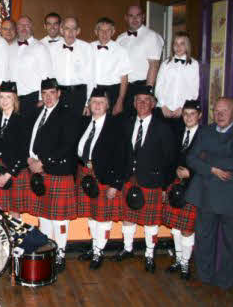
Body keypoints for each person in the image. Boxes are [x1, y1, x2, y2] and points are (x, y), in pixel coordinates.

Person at [187, 97, 233, 290]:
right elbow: (191, 158)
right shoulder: (205, 132)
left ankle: (224, 281)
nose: (219, 115)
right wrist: (212, 169)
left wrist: (206, 157)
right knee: (204, 238)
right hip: (206, 194)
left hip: (232, 199)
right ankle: (204, 276)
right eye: (216, 111)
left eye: (224, 111)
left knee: (230, 243)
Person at [116, 86, 174, 273]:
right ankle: (127, 248)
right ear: (133, 103)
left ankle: (149, 254)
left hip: (152, 180)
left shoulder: (163, 128)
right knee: (127, 217)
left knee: (151, 221)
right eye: (138, 100)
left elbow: (169, 159)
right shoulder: (126, 124)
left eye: (146, 100)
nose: (142, 103)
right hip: (129, 178)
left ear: (153, 104)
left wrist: (164, 187)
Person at [27, 78, 80, 273]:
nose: (48, 97)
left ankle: (60, 255)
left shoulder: (68, 114)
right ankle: (47, 250)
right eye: (45, 93)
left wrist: (44, 162)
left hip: (57, 171)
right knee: (44, 215)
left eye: (52, 93)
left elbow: (68, 145)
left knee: (59, 218)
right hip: (38, 171)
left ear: (59, 93)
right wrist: (29, 159)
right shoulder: (38, 113)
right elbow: (31, 138)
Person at [75, 89, 125, 270]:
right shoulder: (84, 123)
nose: (96, 105)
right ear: (88, 104)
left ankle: (99, 251)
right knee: (91, 214)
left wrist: (116, 184)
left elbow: (122, 157)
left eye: (101, 102)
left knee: (103, 217)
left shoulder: (115, 126)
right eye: (93, 102)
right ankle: (94, 245)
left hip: (104, 176)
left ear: (108, 105)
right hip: (85, 173)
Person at [162, 100, 203, 280]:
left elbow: (210, 163)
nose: (188, 117)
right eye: (185, 114)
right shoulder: (177, 132)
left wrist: (191, 173)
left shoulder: (205, 136)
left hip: (193, 187)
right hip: (174, 184)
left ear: (199, 116)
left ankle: (186, 263)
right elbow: (169, 158)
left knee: (187, 228)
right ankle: (178, 259)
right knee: (176, 227)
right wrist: (165, 185)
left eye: (192, 114)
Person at [0, 81, 31, 217]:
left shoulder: (22, 120)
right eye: (1, 97)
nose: (4, 101)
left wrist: (8, 175)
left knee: (14, 211)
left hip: (15, 172)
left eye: (8, 97)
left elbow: (24, 152)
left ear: (15, 99)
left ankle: (15, 238)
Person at [116, 5, 164, 117]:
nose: (134, 19)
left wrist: (147, 93)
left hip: (141, 87)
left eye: (138, 16)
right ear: (126, 18)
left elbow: (154, 65)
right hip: (122, 88)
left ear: (143, 17)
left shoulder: (152, 36)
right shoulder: (120, 38)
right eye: (131, 16)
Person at [155, 31, 199, 135]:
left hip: (182, 112)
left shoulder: (194, 64)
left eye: (182, 43)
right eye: (175, 44)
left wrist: (182, 107)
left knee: (178, 142)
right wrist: (163, 106)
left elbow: (194, 90)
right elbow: (159, 87)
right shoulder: (166, 64)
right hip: (163, 110)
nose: (178, 47)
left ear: (187, 46)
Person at [7, 16, 52, 118]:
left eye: (27, 25)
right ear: (16, 28)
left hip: (33, 98)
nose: (23, 27)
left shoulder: (40, 47)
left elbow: (47, 74)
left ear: (31, 27)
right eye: (20, 25)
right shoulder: (11, 47)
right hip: (14, 98)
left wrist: (42, 98)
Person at [51, 17, 95, 116]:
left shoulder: (87, 48)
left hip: (79, 95)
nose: (70, 32)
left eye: (73, 29)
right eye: (67, 28)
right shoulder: (53, 48)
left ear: (78, 31)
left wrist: (88, 102)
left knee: (76, 129)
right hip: (58, 94)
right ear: (61, 30)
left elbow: (91, 77)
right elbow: (50, 75)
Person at [91, 17, 131, 115]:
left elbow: (124, 78)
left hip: (113, 92)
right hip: (94, 90)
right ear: (96, 31)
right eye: (101, 30)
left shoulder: (121, 51)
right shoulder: (88, 48)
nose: (104, 34)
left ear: (113, 32)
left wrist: (120, 101)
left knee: (111, 124)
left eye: (108, 30)